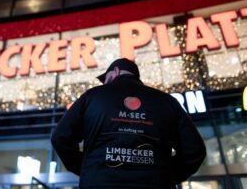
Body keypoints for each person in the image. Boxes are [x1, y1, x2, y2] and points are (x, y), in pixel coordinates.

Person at [51, 58, 206, 188]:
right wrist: (165, 176)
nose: (104, 83)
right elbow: (195, 151)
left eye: (105, 78)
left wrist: (88, 169)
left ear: (116, 71)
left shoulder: (92, 96)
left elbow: (60, 137)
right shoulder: (167, 101)